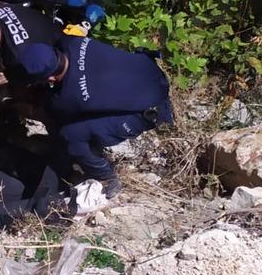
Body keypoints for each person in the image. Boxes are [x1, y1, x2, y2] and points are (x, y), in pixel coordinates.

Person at [17, 38, 173, 197]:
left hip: (148, 111)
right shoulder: (72, 43)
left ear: (50, 78)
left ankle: (106, 176)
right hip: (150, 73)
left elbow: (53, 114)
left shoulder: (67, 97)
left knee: (71, 134)